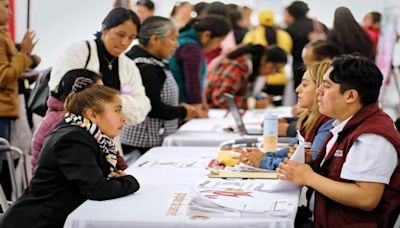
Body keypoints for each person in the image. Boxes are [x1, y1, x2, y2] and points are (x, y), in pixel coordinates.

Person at [277, 55, 400, 227]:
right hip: (322, 218)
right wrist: (311, 162)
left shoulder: (372, 137)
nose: (319, 91)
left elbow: (366, 198)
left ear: (350, 96)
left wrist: (309, 177)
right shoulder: (345, 123)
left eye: (326, 86)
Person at [0, 78, 140, 228]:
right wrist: (129, 181)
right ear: (92, 115)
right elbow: (97, 189)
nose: (124, 118)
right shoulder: (73, 139)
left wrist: (112, 181)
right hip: (38, 222)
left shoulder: (89, 135)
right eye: (117, 110)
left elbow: (99, 182)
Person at [48, 7, 150, 125]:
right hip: (73, 130)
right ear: (105, 29)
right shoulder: (78, 52)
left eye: (131, 38)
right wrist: (118, 103)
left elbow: (143, 107)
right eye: (120, 35)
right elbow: (61, 90)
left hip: (110, 138)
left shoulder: (128, 65)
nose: (125, 42)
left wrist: (100, 101)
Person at [121, 16, 197, 155]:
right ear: (155, 39)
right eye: (173, 38)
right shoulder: (146, 67)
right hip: (144, 145)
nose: (177, 44)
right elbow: (152, 108)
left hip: (142, 141)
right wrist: (183, 112)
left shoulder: (144, 60)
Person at [31, 69, 128, 175]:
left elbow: (108, 148)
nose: (103, 95)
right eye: (97, 91)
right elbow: (87, 178)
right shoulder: (65, 124)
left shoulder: (86, 121)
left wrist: (124, 172)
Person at [240, 61, 334, 169]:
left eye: (304, 84)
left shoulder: (328, 122)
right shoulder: (307, 119)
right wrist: (258, 156)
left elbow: (311, 162)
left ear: (321, 89)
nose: (297, 89)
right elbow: (290, 150)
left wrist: (263, 161)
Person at [0, 0, 37, 200]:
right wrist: (24, 54)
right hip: (2, 111)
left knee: (8, 162)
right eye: (5, 6)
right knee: (4, 162)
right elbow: (3, 75)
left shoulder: (3, 34)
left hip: (7, 109)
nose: (10, 12)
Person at [169, 15, 231, 118]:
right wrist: (198, 111)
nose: (219, 46)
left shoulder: (186, 40)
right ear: (207, 35)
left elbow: (197, 80)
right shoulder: (191, 48)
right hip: (182, 106)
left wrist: (203, 103)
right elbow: (193, 82)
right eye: (219, 41)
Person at [205, 45, 287, 109]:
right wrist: (252, 103)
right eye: (275, 69)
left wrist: (260, 98)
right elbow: (221, 99)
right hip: (211, 111)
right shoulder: (237, 66)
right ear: (264, 60)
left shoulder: (252, 70)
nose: (273, 73)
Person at [283, 1, 326, 90]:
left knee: (301, 91)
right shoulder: (319, 25)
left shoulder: (289, 30)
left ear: (291, 12)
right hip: (320, 66)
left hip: (298, 67)